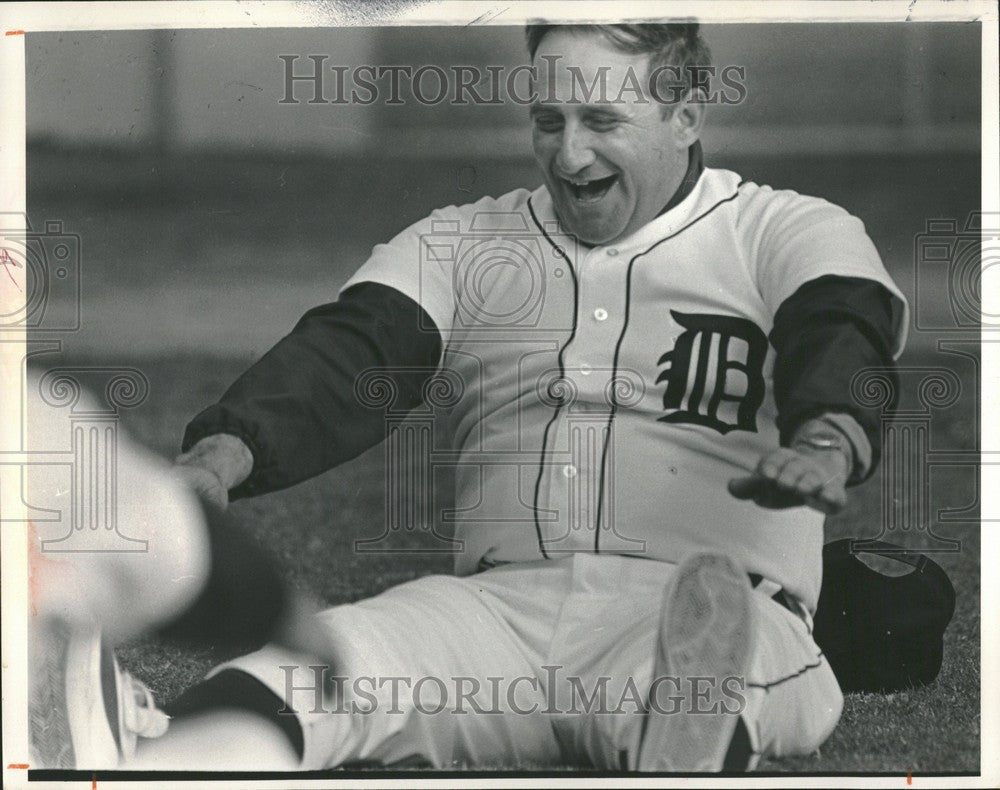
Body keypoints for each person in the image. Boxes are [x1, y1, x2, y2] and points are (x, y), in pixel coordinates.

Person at [30, 22, 907, 772]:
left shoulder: (782, 229)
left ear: (685, 114)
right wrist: (217, 461)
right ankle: (139, 749)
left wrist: (828, 437)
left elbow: (840, 328)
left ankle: (682, 731)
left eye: (603, 119)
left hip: (703, 609)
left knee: (707, 683)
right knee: (318, 671)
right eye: (548, 120)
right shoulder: (464, 239)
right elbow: (353, 351)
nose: (569, 153)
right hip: (491, 614)